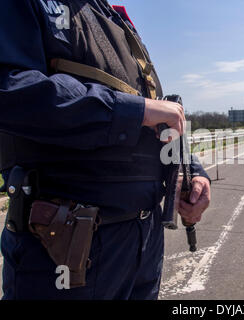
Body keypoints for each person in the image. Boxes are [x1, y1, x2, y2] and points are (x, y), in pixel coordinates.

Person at [0, 0, 211, 300]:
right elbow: (9, 89)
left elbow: (156, 112)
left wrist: (193, 172)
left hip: (144, 242)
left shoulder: (115, 19)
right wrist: (130, 112)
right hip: (66, 246)